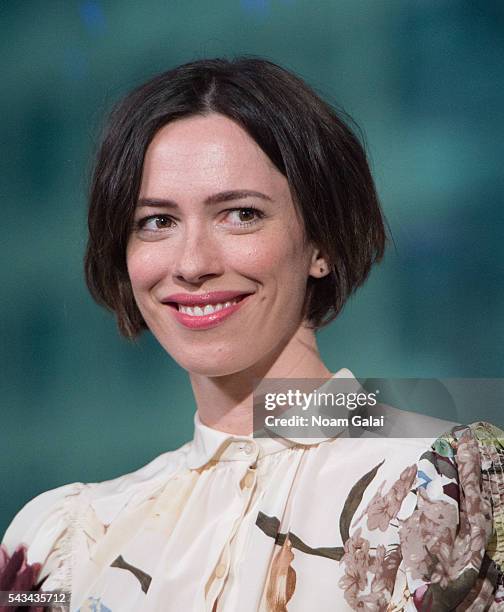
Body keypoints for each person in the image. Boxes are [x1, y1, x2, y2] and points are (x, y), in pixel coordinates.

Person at [1, 57, 503, 612]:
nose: (192, 264)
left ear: (322, 244)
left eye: (240, 214)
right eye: (156, 222)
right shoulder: (66, 540)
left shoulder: (438, 482)